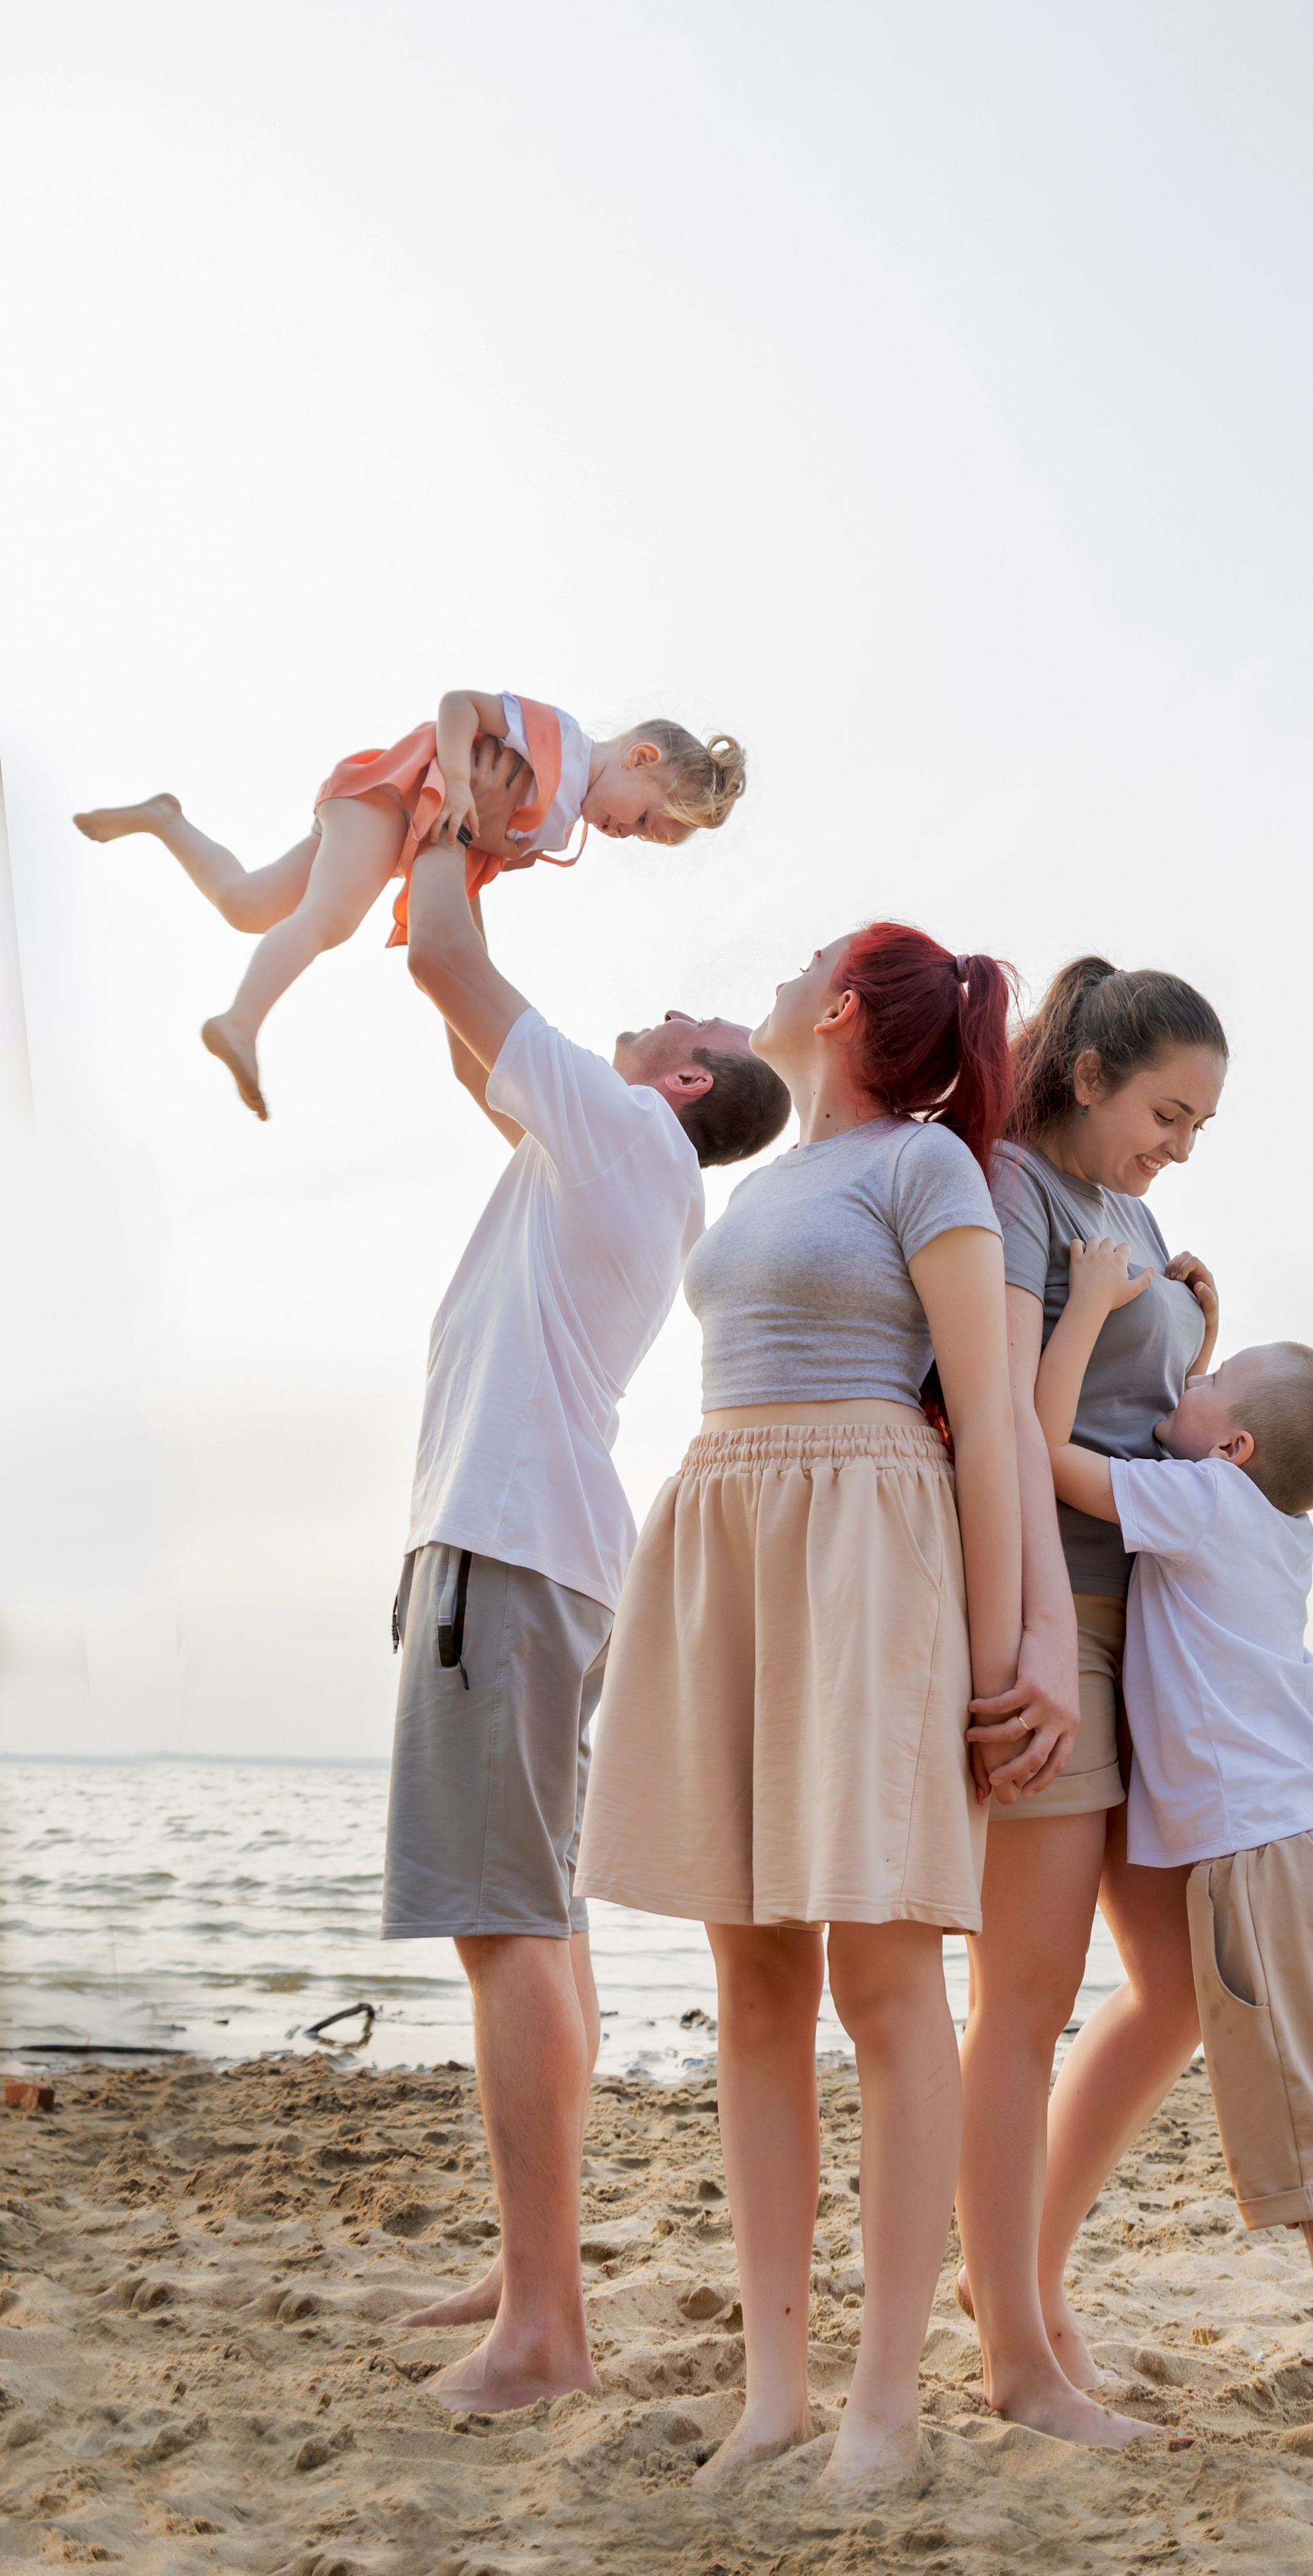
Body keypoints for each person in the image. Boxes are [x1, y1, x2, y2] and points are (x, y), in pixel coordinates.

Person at [578, 923, 1122, 2490]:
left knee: (882, 1981)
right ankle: (772, 2393)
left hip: (869, 1544)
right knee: (752, 1984)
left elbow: (993, 1429)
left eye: (802, 956)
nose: (773, 968)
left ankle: (882, 2404)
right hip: (729, 1532)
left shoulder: (929, 1172)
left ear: (832, 1009)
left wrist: (1014, 1633)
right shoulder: (760, 1181)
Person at [378, 809, 789, 2418]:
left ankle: (544, 2324)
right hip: (531, 1554)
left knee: (505, 1923)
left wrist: (442, 822)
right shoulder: (606, 1159)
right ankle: (525, 2261)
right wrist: (461, 878)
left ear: (678, 1082)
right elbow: (457, 1018)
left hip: (509, 1550)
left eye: (677, 1023)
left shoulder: (621, 1139)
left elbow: (437, 959)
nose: (656, 1012)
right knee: (535, 1912)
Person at [1037, 1238, 1313, 2480]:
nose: (1183, 1394)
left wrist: (1095, 1308)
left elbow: (1047, 1452)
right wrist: (1205, 1356)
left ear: (1238, 1451)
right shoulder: (1264, 1519)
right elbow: (1204, 1433)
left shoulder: (1204, 1503)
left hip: (1260, 1872)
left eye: (1207, 1390)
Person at [953, 958, 1228, 2429]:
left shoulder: (1134, 1217)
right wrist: (1029, 1642)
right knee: (1024, 2000)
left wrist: (1204, 1327)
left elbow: (1148, 1412)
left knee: (1173, 1989)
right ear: (1087, 1073)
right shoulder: (1006, 1186)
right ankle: (1014, 2356)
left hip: (1161, 1632)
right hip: (1059, 1620)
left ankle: (1028, 2286)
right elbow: (1001, 1419)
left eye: (1193, 1128)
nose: (1175, 1147)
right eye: (1165, 1113)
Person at [72, 692, 746, 1118]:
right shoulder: (559, 743)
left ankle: (165, 819)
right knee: (329, 921)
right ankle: (241, 1021)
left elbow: (476, 859)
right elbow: (459, 706)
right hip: (393, 797)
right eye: (644, 819)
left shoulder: (560, 825)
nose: (629, 834)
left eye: (645, 839)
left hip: (396, 832)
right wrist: (454, 779)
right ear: (640, 757)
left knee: (248, 904)